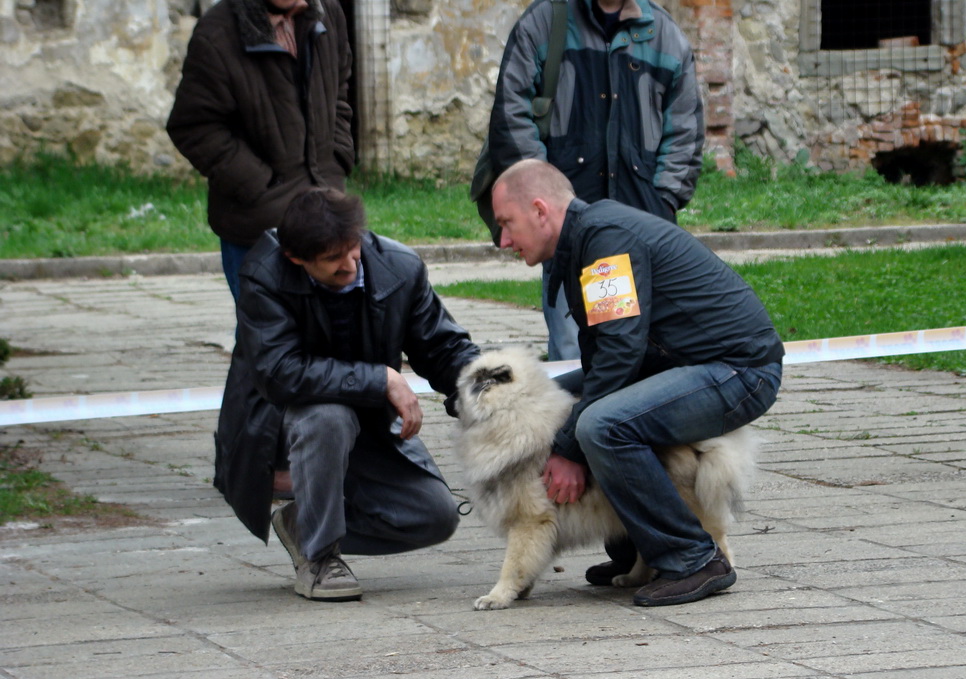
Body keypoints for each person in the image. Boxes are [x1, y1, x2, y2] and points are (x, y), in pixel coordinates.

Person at [490, 159, 783, 607]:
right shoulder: (585, 238)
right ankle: (632, 546)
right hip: (684, 365)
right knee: (553, 396)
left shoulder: (606, 241)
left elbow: (620, 352)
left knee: (600, 426)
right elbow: (612, 354)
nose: (503, 240)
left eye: (507, 224)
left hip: (737, 372)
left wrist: (568, 450)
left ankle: (692, 558)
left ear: (540, 209)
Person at [213, 187, 480, 601]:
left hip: (368, 422)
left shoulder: (398, 267)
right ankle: (319, 558)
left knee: (435, 516)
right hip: (279, 423)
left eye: (352, 248)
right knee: (328, 415)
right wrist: (382, 380)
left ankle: (305, 524)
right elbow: (281, 373)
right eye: (332, 259)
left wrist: (487, 388)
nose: (349, 265)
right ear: (295, 259)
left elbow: (442, 348)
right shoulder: (264, 274)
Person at [486, 0, 705, 360]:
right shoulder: (545, 23)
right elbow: (511, 112)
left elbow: (685, 130)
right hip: (566, 230)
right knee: (574, 350)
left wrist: (662, 201)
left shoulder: (665, 36)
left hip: (639, 225)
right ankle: (579, 416)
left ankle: (625, 414)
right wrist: (537, 194)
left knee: (635, 346)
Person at [166, 0, 355, 302]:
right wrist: (260, 185)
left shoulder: (328, 12)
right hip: (259, 226)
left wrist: (337, 156)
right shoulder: (218, 32)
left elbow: (340, 89)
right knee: (266, 340)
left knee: (335, 333)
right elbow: (194, 126)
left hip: (327, 216)